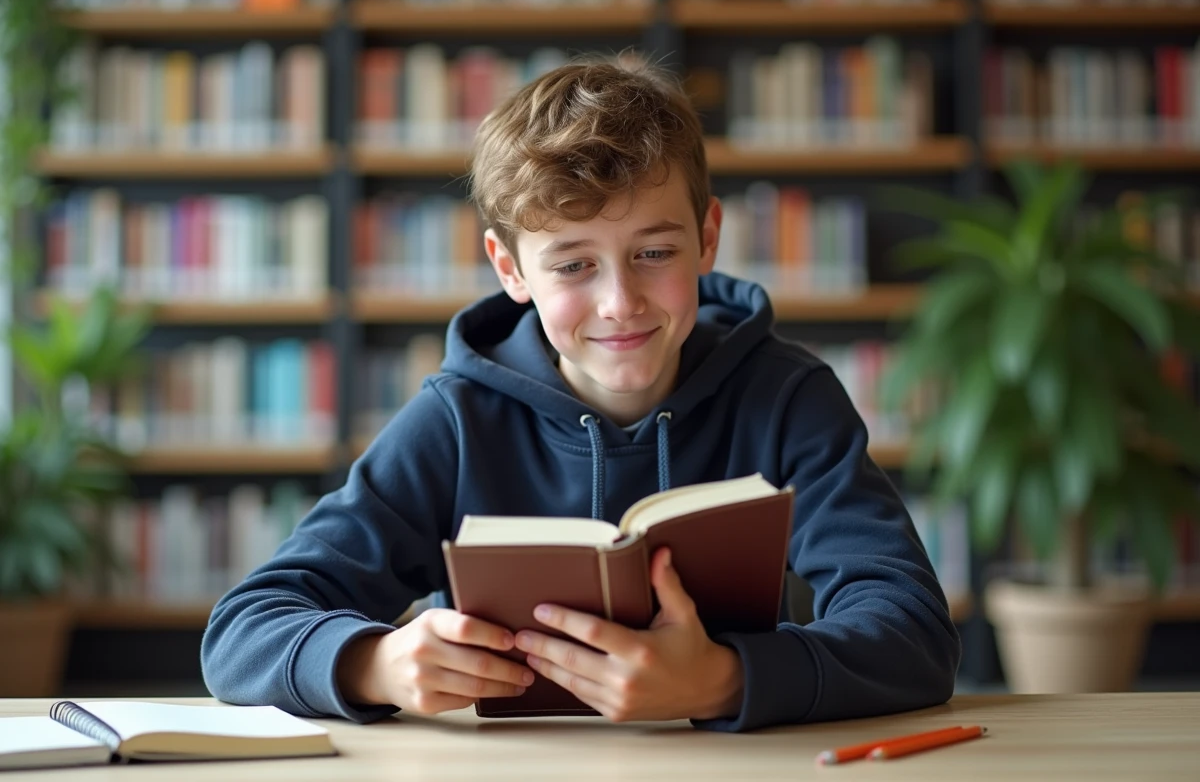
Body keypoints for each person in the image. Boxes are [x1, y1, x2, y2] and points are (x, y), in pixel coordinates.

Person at [201, 55, 960, 732]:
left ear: (707, 238)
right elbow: (242, 631)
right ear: (511, 269)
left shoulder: (789, 398)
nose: (620, 302)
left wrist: (723, 679)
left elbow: (914, 634)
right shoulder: (456, 419)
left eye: (654, 252)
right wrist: (377, 663)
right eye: (572, 265)